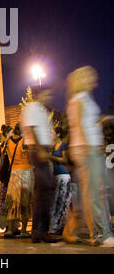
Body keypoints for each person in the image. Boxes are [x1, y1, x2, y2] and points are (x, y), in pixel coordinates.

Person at [63, 66, 114, 247]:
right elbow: (81, 126)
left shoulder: (84, 98)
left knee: (99, 190)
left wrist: (102, 120)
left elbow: (86, 122)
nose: (94, 79)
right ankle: (100, 235)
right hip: (86, 148)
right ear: (82, 79)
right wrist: (90, 148)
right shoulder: (78, 99)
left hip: (91, 147)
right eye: (91, 76)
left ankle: (78, 228)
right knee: (94, 193)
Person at [20, 85, 62, 243]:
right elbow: (33, 128)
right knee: (45, 191)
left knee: (43, 191)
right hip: (38, 151)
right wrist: (41, 149)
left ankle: (39, 231)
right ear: (40, 94)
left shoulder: (40, 109)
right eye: (47, 93)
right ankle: (40, 230)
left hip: (41, 150)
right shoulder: (33, 108)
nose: (49, 96)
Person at [4, 123, 34, 238]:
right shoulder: (25, 141)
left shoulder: (8, 142)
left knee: (13, 201)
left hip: (13, 173)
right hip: (26, 171)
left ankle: (10, 229)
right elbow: (30, 157)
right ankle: (24, 231)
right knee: (25, 201)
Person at [49, 127, 71, 235]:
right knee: (54, 202)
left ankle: (60, 227)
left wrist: (52, 158)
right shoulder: (52, 147)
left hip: (63, 176)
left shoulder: (63, 145)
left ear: (58, 134)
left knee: (62, 202)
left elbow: (65, 160)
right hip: (55, 176)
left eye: (52, 132)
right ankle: (53, 227)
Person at [0, 125, 13, 231]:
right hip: (10, 175)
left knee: (5, 201)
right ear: (7, 134)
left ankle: (7, 225)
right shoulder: (8, 145)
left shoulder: (2, 146)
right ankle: (11, 225)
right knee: (10, 201)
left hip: (4, 176)